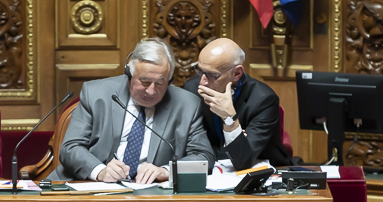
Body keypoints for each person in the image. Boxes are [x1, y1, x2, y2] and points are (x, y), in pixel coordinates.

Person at [54, 38, 214, 183]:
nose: (151, 91)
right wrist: (100, 171)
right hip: (88, 186)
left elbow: (204, 157)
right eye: (144, 81)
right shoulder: (96, 94)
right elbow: (70, 148)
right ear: (129, 72)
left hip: (151, 195)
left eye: (160, 83)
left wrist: (166, 171)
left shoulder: (187, 104)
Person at [184, 38, 293, 170]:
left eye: (212, 75)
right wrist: (237, 140)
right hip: (211, 169)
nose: (202, 82)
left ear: (237, 73)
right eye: (200, 71)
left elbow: (242, 160)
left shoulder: (263, 100)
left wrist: (229, 118)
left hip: (263, 170)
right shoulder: (191, 89)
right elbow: (187, 147)